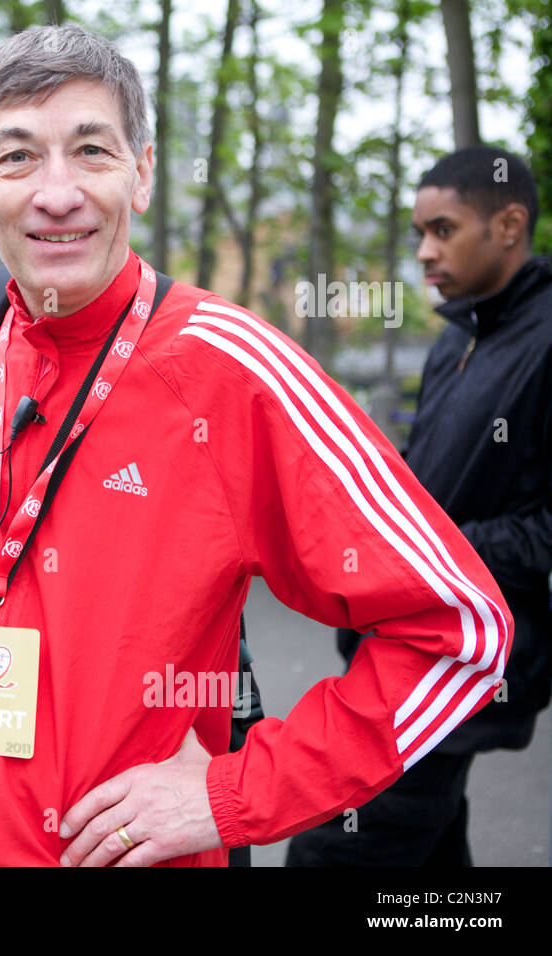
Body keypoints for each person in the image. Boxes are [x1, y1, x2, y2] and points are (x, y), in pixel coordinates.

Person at [0, 24, 512, 867]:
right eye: (18, 158)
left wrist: (233, 796)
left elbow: (458, 630)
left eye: (92, 151)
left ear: (141, 173)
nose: (58, 192)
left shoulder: (230, 368)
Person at [286, 146, 551, 866]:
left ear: (508, 224)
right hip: (403, 636)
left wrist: (443, 550)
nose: (425, 252)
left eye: (442, 229)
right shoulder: (458, 336)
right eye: (418, 234)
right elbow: (424, 486)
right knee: (430, 850)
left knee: (334, 846)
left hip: (471, 659)